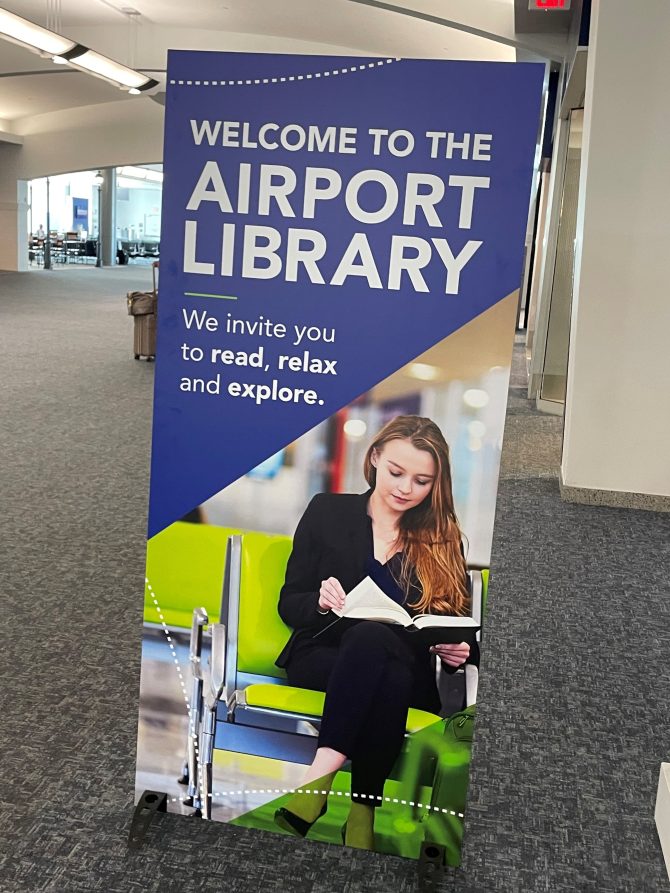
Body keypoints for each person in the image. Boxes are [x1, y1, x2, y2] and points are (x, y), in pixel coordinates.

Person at [273, 415, 476, 849]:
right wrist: (320, 600)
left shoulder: (444, 538)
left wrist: (460, 651)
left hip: (407, 671)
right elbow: (290, 602)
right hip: (323, 657)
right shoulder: (327, 511)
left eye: (422, 481)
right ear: (375, 459)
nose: (406, 489)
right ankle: (363, 811)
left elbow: (463, 631)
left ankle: (317, 785)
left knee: (385, 659)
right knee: (374, 650)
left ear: (436, 483)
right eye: (396, 473)